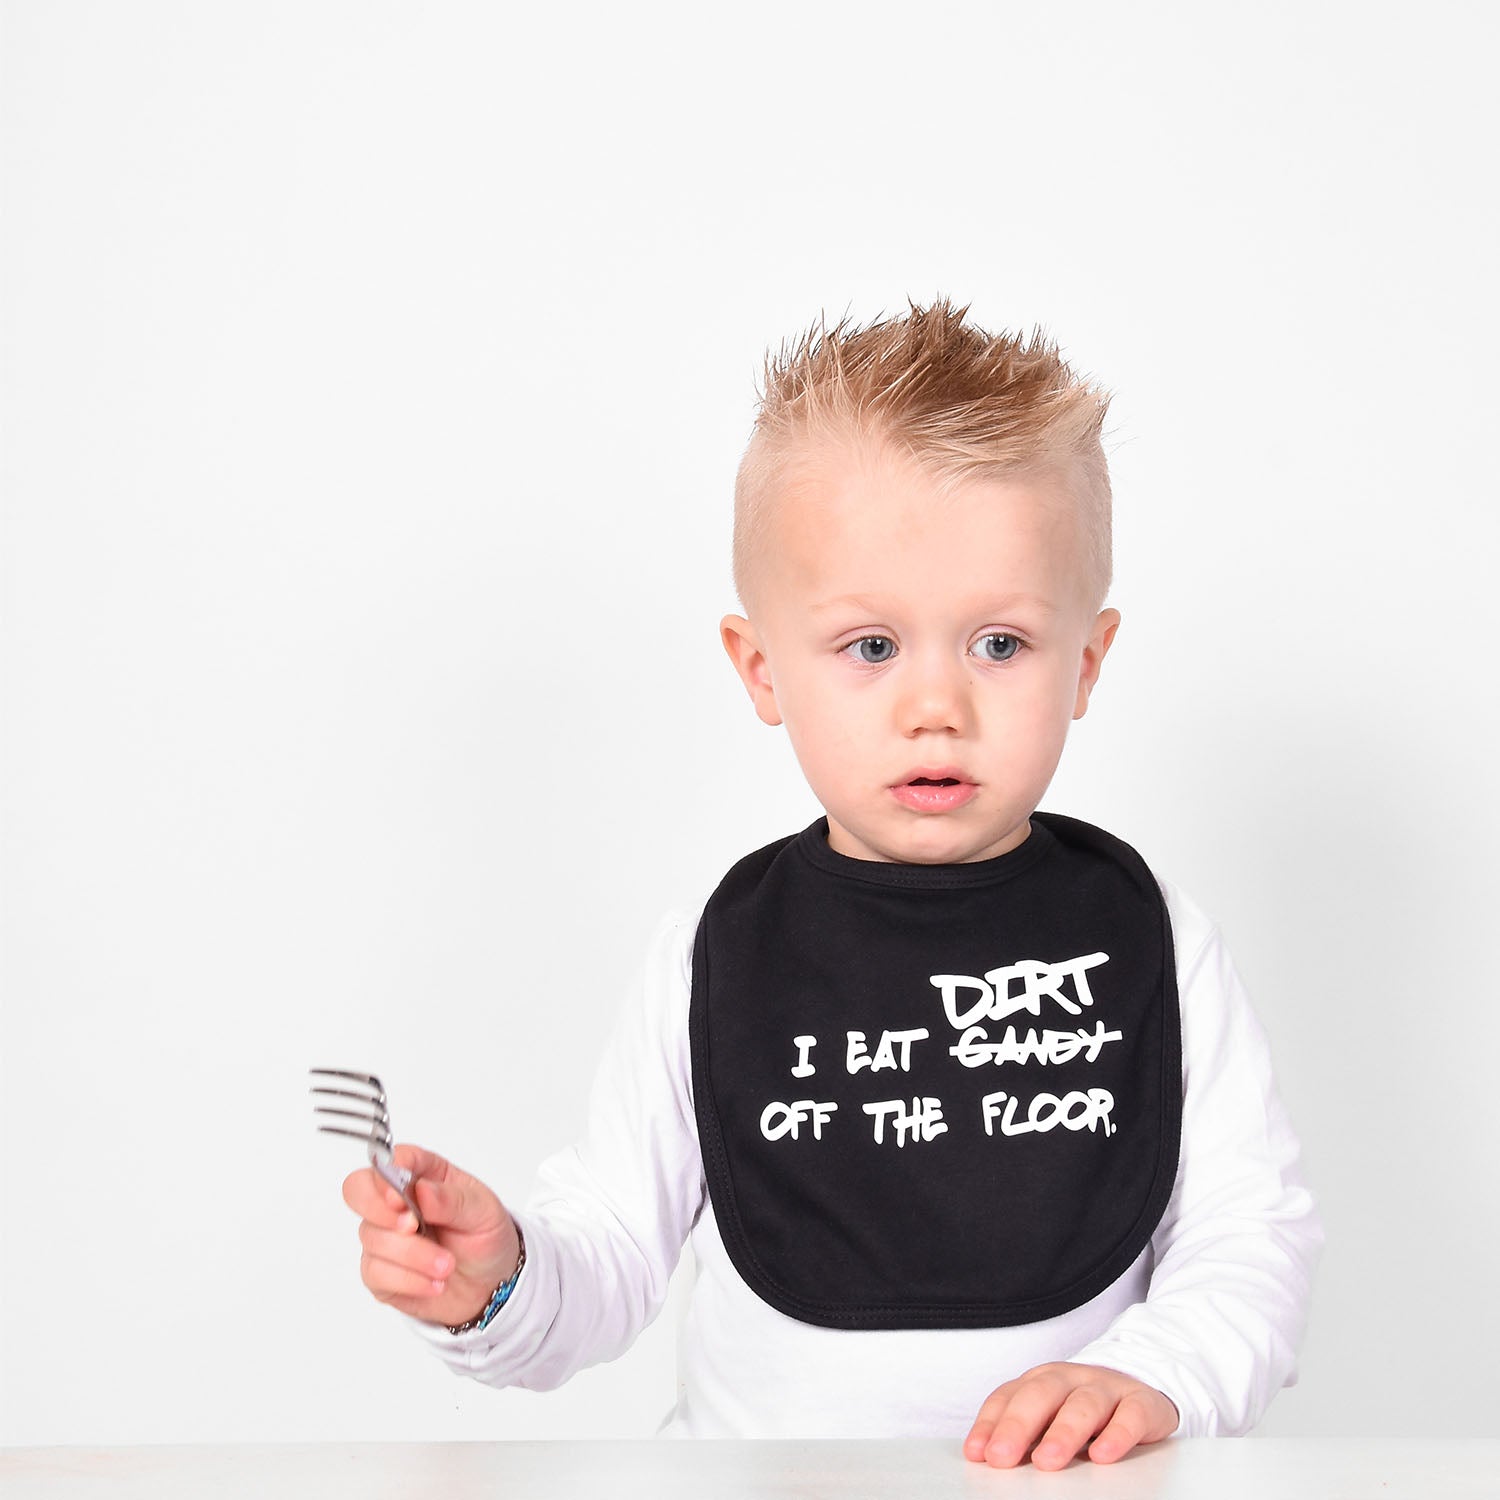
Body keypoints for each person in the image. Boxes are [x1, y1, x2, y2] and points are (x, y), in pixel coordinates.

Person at [339, 299, 1321, 1470]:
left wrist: (1153, 1373)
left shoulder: (1150, 940)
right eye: (870, 646)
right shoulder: (719, 951)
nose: (936, 705)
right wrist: (498, 1278)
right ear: (762, 670)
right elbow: (608, 1253)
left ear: (1086, 664)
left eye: (999, 644)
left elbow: (1248, 1241)